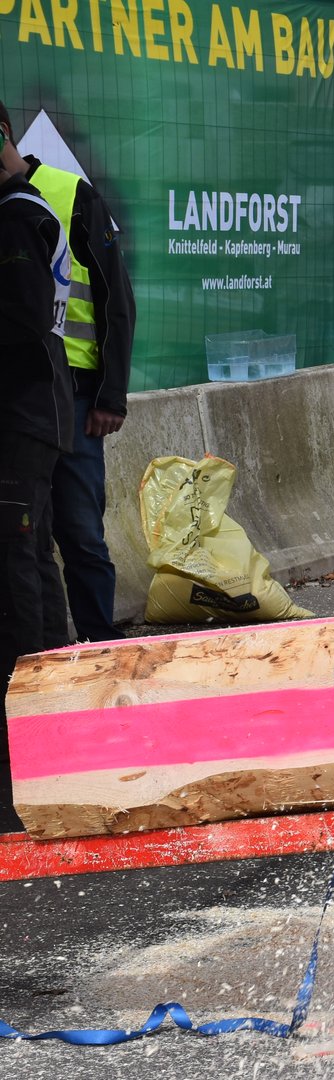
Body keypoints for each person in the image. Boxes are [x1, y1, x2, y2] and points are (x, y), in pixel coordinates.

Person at [1, 101, 136, 644]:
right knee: (30, 535)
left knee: (79, 533)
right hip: (27, 393)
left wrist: (111, 395)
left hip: (76, 393)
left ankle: (99, 642)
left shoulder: (67, 193)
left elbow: (115, 298)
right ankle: (57, 649)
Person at [0, 121, 72, 834]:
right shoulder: (28, 209)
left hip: (23, 414)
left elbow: (21, 321)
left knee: (16, 562)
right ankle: (53, 705)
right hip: (36, 412)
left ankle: (28, 716)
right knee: (35, 559)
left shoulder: (17, 218)